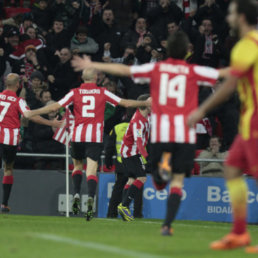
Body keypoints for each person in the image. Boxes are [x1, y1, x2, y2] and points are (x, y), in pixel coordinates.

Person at [71, 31, 226, 233]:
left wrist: (96, 65)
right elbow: (224, 76)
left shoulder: (158, 69)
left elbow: (125, 71)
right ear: (188, 51)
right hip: (181, 135)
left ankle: (139, 203)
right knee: (167, 180)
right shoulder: (192, 70)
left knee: (152, 181)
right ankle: (151, 215)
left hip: (163, 135)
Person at [24, 69, 150, 221]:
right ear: (96, 78)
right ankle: (90, 198)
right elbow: (126, 103)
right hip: (94, 137)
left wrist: (32, 113)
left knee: (77, 166)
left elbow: (54, 107)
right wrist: (144, 102)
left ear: (82, 78)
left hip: (77, 136)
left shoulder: (75, 92)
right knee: (91, 170)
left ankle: (76, 193)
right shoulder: (102, 92)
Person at [187, 0, 258, 252]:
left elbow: (229, 85)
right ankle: (239, 233)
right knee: (231, 167)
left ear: (241, 17)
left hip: (256, 120)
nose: (227, 18)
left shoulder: (247, 45)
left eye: (230, 13)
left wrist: (201, 109)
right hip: (249, 118)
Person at [0, 73, 63, 212]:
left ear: (5, 84)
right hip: (9, 139)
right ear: (18, 85)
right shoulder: (19, 101)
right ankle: (4, 204)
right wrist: (51, 122)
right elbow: (30, 116)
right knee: (8, 169)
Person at [118, 94, 151, 221]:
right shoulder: (138, 121)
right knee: (142, 178)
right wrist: (147, 158)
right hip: (131, 153)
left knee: (131, 180)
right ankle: (124, 205)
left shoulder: (144, 117)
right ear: (144, 104)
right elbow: (139, 142)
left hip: (129, 153)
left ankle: (123, 208)